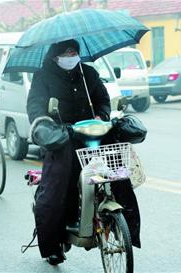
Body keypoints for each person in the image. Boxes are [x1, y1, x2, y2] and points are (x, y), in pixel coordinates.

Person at [27, 39, 113, 265]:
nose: (71, 56)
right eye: (66, 52)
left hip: (90, 135)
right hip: (60, 138)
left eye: (74, 52)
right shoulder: (43, 75)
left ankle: (116, 223)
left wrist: (101, 117)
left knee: (113, 176)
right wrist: (47, 127)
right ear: (55, 55)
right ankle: (51, 245)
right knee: (56, 190)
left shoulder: (88, 74)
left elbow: (103, 100)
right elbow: (35, 107)